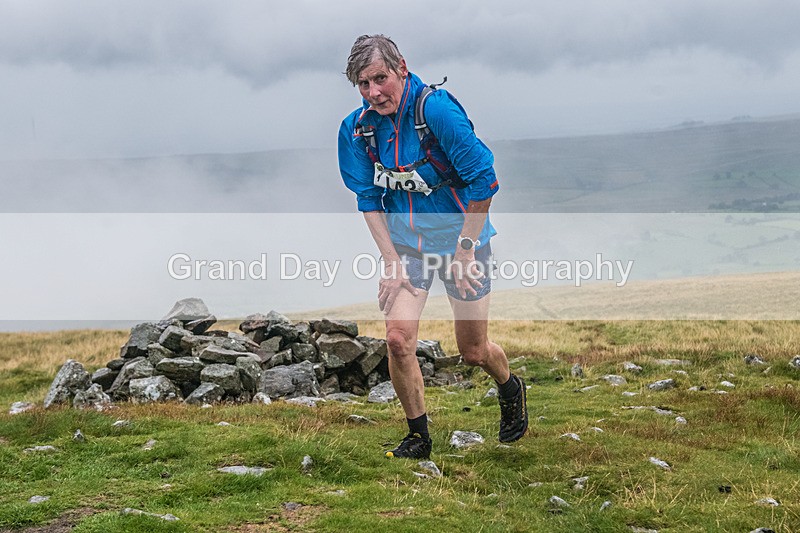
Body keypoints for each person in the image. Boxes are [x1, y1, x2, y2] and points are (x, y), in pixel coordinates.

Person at [338, 34, 527, 459]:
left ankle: (510, 386)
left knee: (473, 351)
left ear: (401, 67)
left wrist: (464, 249)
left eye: (380, 78)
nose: (373, 92)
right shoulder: (359, 128)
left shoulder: (436, 111)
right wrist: (390, 261)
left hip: (464, 241)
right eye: (363, 85)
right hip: (408, 247)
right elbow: (367, 199)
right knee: (398, 339)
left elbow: (485, 180)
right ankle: (419, 437)